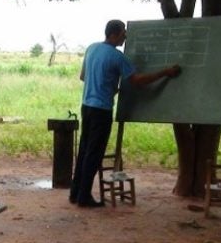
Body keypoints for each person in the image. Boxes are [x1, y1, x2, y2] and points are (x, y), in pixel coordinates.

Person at [69, 19, 182, 208]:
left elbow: (83, 76)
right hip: (102, 110)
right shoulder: (117, 57)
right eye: (123, 33)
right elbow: (137, 81)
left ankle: (75, 193)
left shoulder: (91, 49)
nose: (125, 37)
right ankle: (84, 197)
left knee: (84, 151)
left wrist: (105, 84)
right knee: (94, 154)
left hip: (87, 106)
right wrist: (165, 73)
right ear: (114, 34)